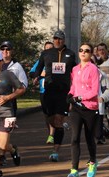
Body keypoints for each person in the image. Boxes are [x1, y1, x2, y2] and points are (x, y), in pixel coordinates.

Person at [31, 31, 76, 162]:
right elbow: (38, 69)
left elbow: (74, 71)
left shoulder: (70, 54)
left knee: (58, 121)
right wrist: (35, 77)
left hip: (63, 92)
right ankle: (61, 125)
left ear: (64, 40)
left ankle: (55, 151)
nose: (58, 41)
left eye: (60, 39)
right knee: (49, 118)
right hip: (49, 90)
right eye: (55, 38)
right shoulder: (46, 54)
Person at [66, 43, 99, 177]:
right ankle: (74, 169)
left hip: (89, 108)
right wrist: (70, 94)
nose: (83, 52)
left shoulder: (93, 69)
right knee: (74, 138)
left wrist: (79, 98)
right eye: (81, 50)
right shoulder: (74, 69)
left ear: (91, 54)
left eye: (87, 51)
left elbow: (94, 91)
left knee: (89, 138)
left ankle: (92, 162)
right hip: (76, 109)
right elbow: (74, 86)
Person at [29, 41, 53, 145]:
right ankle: (50, 133)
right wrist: (38, 76)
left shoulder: (57, 61)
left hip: (54, 91)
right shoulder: (40, 61)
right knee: (47, 115)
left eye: (50, 48)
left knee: (52, 113)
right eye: (46, 48)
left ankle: (52, 135)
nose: (48, 50)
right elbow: (32, 72)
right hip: (43, 91)